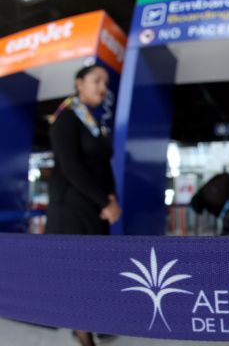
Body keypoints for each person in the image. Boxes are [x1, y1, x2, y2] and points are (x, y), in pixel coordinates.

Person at [45, 64, 121, 346]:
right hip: (72, 209)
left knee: (95, 272)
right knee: (76, 276)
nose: (103, 87)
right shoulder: (66, 118)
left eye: (106, 82)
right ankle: (83, 335)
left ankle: (94, 321)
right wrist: (105, 201)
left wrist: (111, 197)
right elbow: (72, 168)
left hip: (95, 208)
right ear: (79, 83)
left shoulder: (92, 122)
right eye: (96, 80)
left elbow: (103, 164)